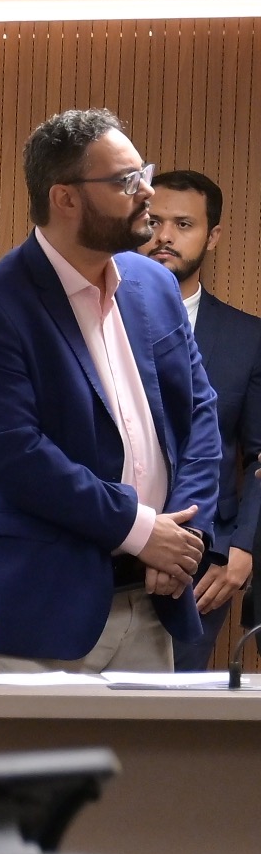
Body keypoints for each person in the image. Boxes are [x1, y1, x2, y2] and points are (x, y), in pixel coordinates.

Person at [0, 109, 223, 672]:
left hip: (153, 598)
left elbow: (201, 414)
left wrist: (183, 537)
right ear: (65, 198)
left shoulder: (154, 284)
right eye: (125, 182)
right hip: (34, 612)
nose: (147, 193)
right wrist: (141, 530)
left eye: (143, 173)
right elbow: (14, 455)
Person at [144, 169, 261, 667]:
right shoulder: (97, 320)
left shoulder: (247, 338)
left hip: (205, 562)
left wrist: (243, 549)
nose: (164, 236)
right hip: (107, 547)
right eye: (153, 221)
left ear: (212, 236)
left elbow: (259, 456)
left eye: (183, 224)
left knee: (174, 708)